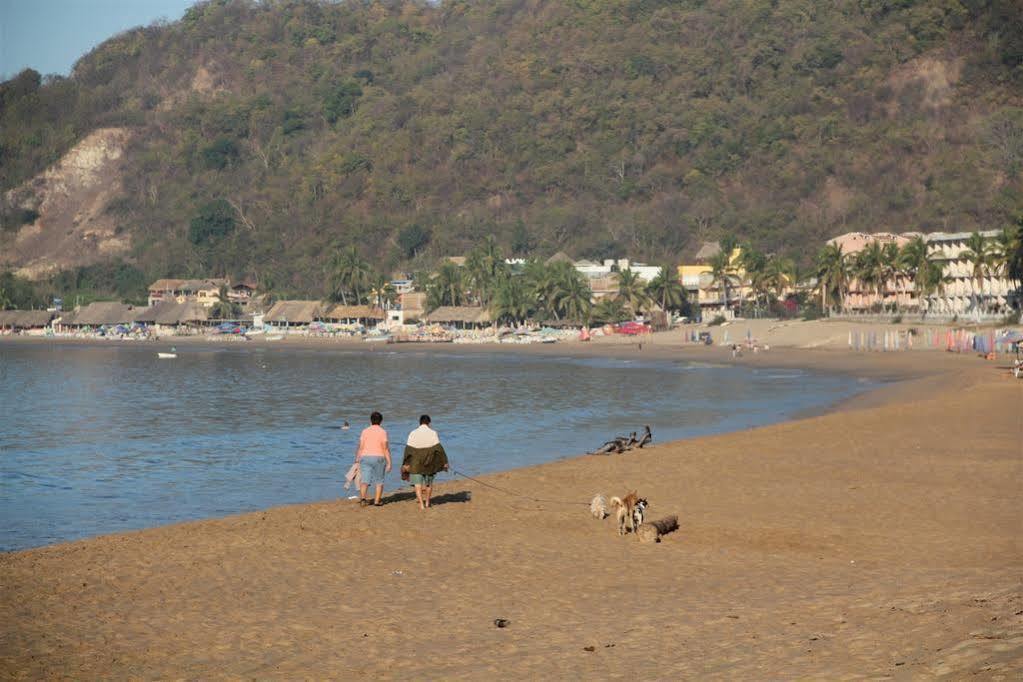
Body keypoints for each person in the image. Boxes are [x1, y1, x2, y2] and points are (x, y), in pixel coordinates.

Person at [402, 415, 448, 510]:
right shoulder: (433, 433)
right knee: (429, 484)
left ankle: (421, 505)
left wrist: (405, 463)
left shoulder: (412, 433)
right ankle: (427, 502)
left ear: (419, 422)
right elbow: (439, 450)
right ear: (429, 423)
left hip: (415, 463)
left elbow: (407, 451)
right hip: (429, 462)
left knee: (417, 484)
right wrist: (445, 462)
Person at [356, 411, 391, 507]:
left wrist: (357, 459)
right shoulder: (383, 431)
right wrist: (389, 462)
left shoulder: (365, 431)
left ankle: (363, 499)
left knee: (365, 480)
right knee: (379, 480)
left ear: (370, 420)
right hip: (379, 457)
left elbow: (361, 447)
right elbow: (385, 448)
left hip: (365, 457)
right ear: (381, 421)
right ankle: (377, 501)